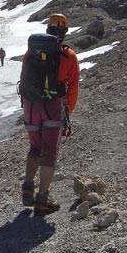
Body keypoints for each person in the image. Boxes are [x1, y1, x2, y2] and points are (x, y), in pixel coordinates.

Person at [21, 13, 80, 215]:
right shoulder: (68, 55)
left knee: (35, 147)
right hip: (53, 107)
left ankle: (28, 187)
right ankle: (42, 200)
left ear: (47, 29)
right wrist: (67, 112)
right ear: (64, 32)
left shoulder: (31, 52)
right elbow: (72, 87)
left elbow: (24, 77)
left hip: (30, 106)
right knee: (50, 153)